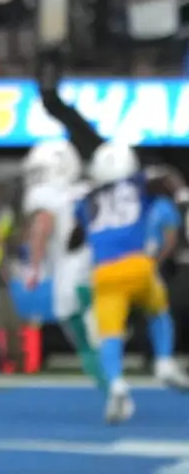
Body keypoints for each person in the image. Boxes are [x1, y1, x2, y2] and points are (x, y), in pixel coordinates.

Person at [37, 54, 189, 422]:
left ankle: (118, 385)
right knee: (158, 310)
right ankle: (165, 362)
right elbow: (165, 183)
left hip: (104, 272)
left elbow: (74, 238)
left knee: (108, 336)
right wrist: (182, 199)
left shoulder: (88, 199)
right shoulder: (141, 181)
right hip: (139, 264)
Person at [22, 137, 105, 397]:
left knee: (73, 319)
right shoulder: (87, 189)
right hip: (101, 263)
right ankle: (104, 350)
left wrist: (34, 268)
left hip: (72, 267)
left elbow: (42, 226)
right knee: (94, 325)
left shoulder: (48, 196)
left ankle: (107, 379)